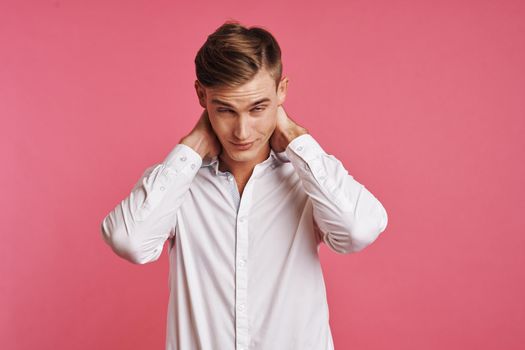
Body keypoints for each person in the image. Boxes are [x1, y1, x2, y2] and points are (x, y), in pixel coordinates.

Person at [100, 20, 388, 350]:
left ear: (282, 91)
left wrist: (295, 137)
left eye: (258, 108)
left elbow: (359, 230)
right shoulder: (177, 182)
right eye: (225, 110)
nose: (242, 131)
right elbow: (129, 241)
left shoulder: (308, 178)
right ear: (201, 96)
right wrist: (191, 146)